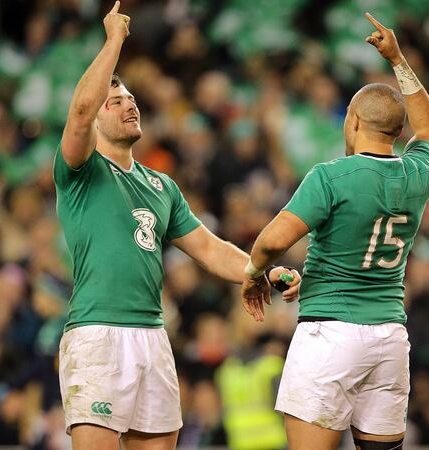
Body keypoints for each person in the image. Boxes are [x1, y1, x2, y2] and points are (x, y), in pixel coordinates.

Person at [53, 3, 298, 450]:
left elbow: (209, 248)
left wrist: (259, 270)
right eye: (117, 101)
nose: (129, 105)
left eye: (132, 99)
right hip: (97, 334)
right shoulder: (80, 170)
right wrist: (114, 41)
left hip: (153, 335)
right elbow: (81, 110)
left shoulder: (160, 185)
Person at [242, 12, 429, 450]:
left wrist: (255, 272)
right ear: (397, 131)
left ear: (352, 122)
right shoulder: (419, 172)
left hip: (330, 333)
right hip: (389, 336)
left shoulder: (331, 176)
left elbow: (273, 240)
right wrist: (398, 59)